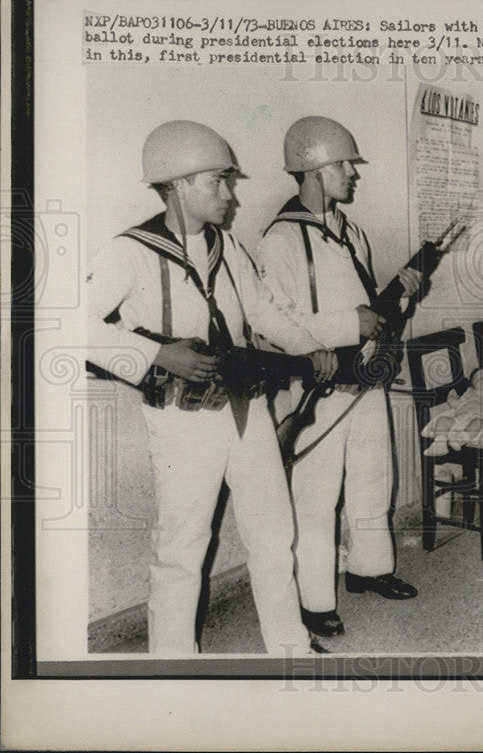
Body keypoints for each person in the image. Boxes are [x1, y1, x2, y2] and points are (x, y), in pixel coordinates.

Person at [87, 120, 339, 655]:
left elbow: (263, 310)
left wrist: (307, 347)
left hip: (248, 410)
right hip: (183, 421)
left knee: (274, 535)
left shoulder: (227, 247)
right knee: (182, 547)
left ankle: (289, 645)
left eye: (228, 182)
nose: (229, 195)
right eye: (216, 183)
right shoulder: (131, 252)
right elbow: (64, 324)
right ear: (177, 185)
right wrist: (156, 353)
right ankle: (174, 663)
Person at [256, 116, 419, 647]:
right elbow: (271, 324)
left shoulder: (352, 231)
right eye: (343, 165)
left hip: (365, 381)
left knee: (375, 479)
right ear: (311, 170)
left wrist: (403, 297)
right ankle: (314, 601)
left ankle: (370, 568)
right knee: (316, 497)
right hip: (319, 389)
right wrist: (350, 324)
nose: (353, 174)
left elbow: (373, 311)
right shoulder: (280, 240)